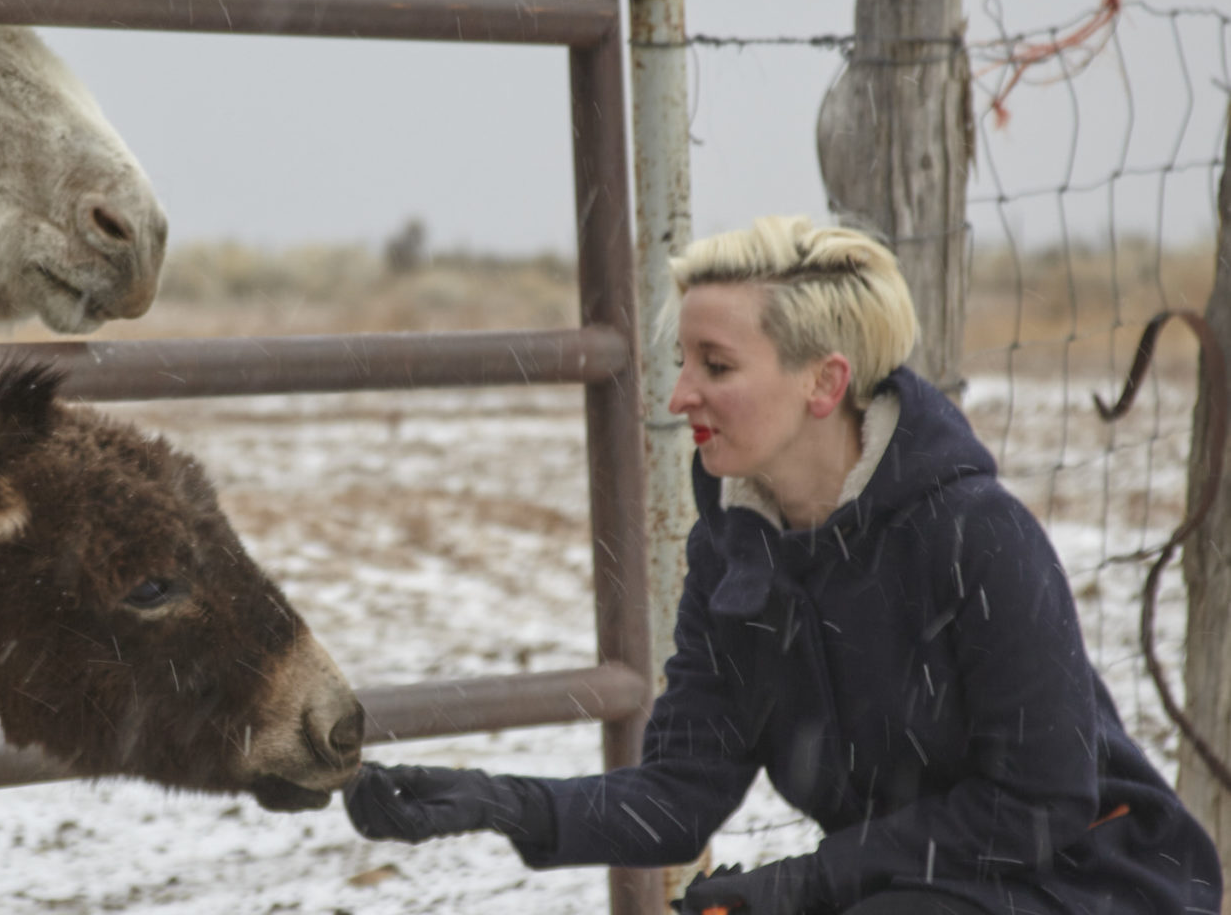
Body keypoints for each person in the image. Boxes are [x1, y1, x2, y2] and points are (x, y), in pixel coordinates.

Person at [344, 216, 1222, 915]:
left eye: (715, 365)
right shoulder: (734, 553)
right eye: (681, 360)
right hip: (912, 889)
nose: (679, 392)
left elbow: (1039, 805)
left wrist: (806, 885)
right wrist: (504, 804)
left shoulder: (975, 535)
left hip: (1095, 881)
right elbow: (681, 795)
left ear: (824, 383)